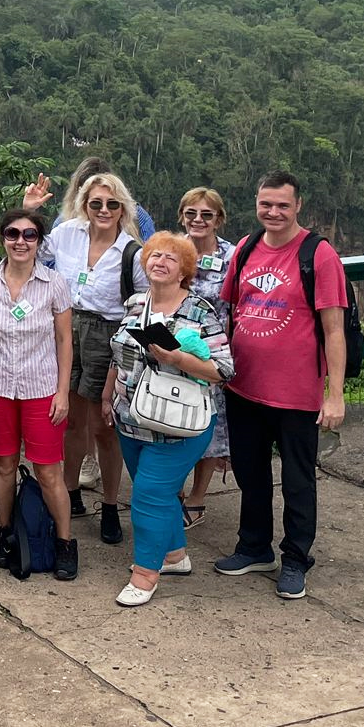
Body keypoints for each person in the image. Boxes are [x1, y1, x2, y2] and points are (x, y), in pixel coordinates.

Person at [215, 172, 349, 601]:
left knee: (296, 479)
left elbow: (335, 330)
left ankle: (295, 558)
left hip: (296, 394)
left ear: (298, 206)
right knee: (250, 473)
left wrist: (335, 395)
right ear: (256, 203)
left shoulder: (318, 255)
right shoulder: (247, 247)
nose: (273, 213)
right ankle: (254, 547)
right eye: (266, 204)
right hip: (244, 386)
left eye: (282, 206)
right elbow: (233, 307)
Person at [105, 233, 234, 606]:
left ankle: (145, 574)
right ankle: (175, 555)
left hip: (179, 425)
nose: (159, 262)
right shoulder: (134, 304)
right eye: (154, 255)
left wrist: (177, 359)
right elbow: (120, 355)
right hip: (132, 417)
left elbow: (223, 370)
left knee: (148, 494)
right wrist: (107, 395)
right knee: (157, 495)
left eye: (170, 259)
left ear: (184, 271)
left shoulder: (199, 311)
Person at [0, 207, 78, 579]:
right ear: (2, 238)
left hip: (42, 387)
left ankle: (63, 543)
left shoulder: (54, 283)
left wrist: (63, 392)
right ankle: (6, 532)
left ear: (39, 242)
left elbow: (64, 340)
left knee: (48, 471)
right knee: (3, 465)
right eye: (13, 234)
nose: (21, 241)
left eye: (29, 235)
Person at [45, 170, 146, 546]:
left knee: (105, 426)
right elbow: (35, 254)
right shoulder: (67, 233)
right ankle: (70, 493)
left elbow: (140, 304)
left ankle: (108, 503)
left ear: (123, 208)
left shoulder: (131, 251)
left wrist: (125, 358)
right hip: (69, 329)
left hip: (109, 334)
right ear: (84, 205)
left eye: (112, 204)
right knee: (71, 421)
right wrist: (29, 210)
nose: (104, 210)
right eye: (96, 203)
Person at [178, 187, 236, 530]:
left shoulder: (232, 256)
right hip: (174, 350)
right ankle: (176, 491)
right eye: (191, 214)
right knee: (174, 420)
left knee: (211, 425)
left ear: (219, 219)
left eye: (206, 215)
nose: (198, 220)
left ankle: (199, 496)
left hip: (215, 352)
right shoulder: (173, 247)